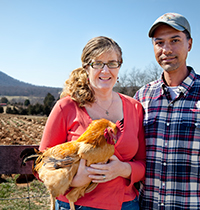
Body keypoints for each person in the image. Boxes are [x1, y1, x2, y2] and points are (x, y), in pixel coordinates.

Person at [40, 36, 146, 210]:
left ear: (119, 67)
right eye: (97, 63)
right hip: (77, 204)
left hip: (126, 204)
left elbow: (143, 163)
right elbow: (43, 164)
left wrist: (123, 169)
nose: (105, 71)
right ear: (86, 67)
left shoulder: (134, 107)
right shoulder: (66, 107)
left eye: (112, 63)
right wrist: (74, 181)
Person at [134, 12, 200, 209]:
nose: (166, 49)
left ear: (189, 44)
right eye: (159, 42)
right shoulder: (142, 97)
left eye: (175, 40)